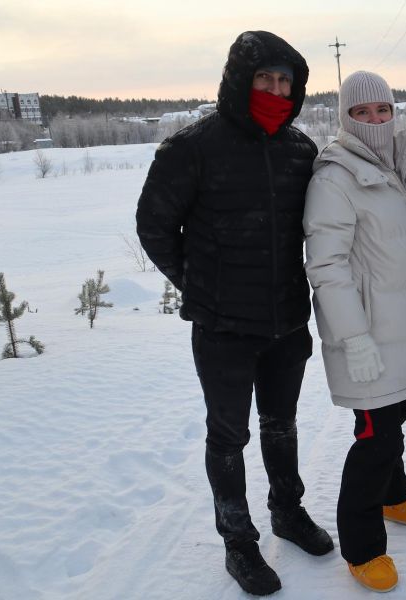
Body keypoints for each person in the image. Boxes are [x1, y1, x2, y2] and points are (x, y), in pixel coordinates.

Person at [136, 31, 333, 596]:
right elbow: (154, 228)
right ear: (239, 82)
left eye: (284, 82)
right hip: (222, 327)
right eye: (264, 79)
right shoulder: (193, 148)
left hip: (287, 322)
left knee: (282, 424)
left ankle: (286, 513)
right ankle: (238, 540)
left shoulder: (299, 150)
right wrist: (199, 287)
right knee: (228, 436)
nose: (274, 90)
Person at [303, 71, 406, 593]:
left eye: (384, 110)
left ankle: (394, 493)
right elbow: (327, 266)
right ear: (346, 119)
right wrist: (354, 337)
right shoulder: (335, 177)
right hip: (368, 336)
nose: (376, 121)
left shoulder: (394, 165)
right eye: (363, 113)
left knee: (394, 414)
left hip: (400, 324)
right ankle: (361, 546)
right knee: (373, 436)